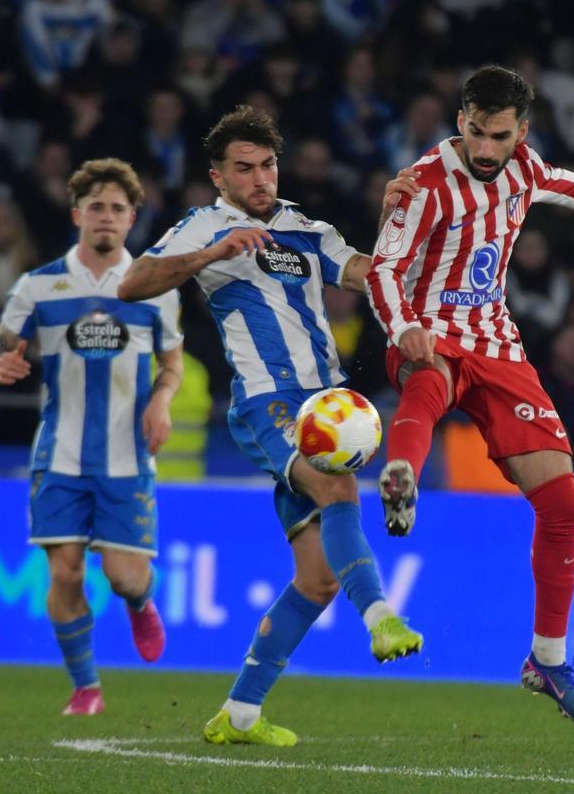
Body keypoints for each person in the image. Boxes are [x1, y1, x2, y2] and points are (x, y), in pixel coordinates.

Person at [117, 106, 422, 748]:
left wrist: (401, 223)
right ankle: (382, 617)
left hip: (330, 401)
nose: (259, 178)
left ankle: (241, 713)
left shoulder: (306, 229)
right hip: (268, 402)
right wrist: (212, 253)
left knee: (317, 578)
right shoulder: (205, 225)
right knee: (338, 487)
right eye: (244, 169)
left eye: (267, 165)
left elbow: (371, 274)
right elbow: (133, 283)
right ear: (218, 177)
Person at [366, 64, 574, 730]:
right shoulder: (424, 184)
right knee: (427, 380)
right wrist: (403, 325)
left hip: (495, 341)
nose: (486, 148)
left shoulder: (523, 166)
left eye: (499, 135)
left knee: (563, 503)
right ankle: (401, 468)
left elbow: (559, 183)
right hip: (429, 330)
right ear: (459, 119)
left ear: (522, 131)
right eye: (475, 131)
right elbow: (383, 266)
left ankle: (546, 659)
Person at [0, 158, 182, 717]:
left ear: (132, 218)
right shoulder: (41, 284)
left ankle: (141, 602)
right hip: (60, 454)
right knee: (65, 571)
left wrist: (162, 400)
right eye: (96, 206)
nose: (107, 217)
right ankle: (86, 686)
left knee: (122, 576)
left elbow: (172, 361)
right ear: (77, 214)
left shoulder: (153, 286)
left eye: (118, 209)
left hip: (127, 454)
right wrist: (0, 362)